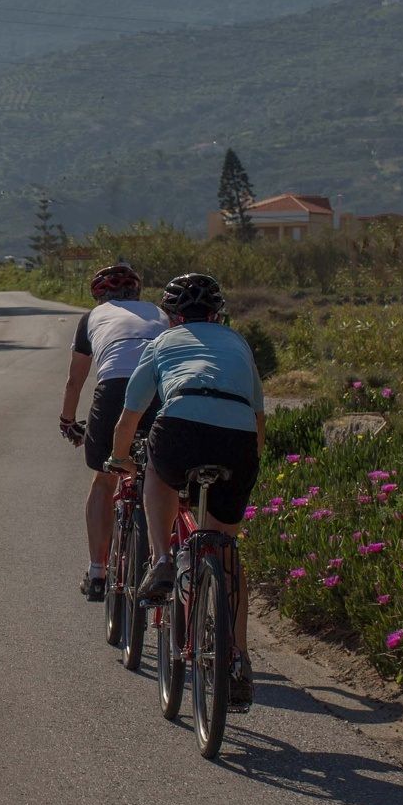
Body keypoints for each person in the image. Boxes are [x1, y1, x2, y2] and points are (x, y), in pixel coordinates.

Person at [107, 272, 264, 705]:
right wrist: (248, 465)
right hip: (238, 440)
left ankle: (160, 561)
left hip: (179, 428)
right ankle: (237, 658)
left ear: (173, 317)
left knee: (155, 473)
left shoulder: (161, 344)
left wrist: (122, 461)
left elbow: (130, 417)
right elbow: (259, 418)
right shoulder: (238, 343)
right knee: (226, 553)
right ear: (218, 314)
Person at [59, 263, 168, 601]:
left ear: (100, 295)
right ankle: (161, 559)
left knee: (104, 479)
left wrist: (67, 420)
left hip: (113, 390)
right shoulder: (160, 313)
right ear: (137, 292)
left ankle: (97, 572)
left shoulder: (92, 317)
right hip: (157, 388)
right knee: (160, 477)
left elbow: (75, 379)